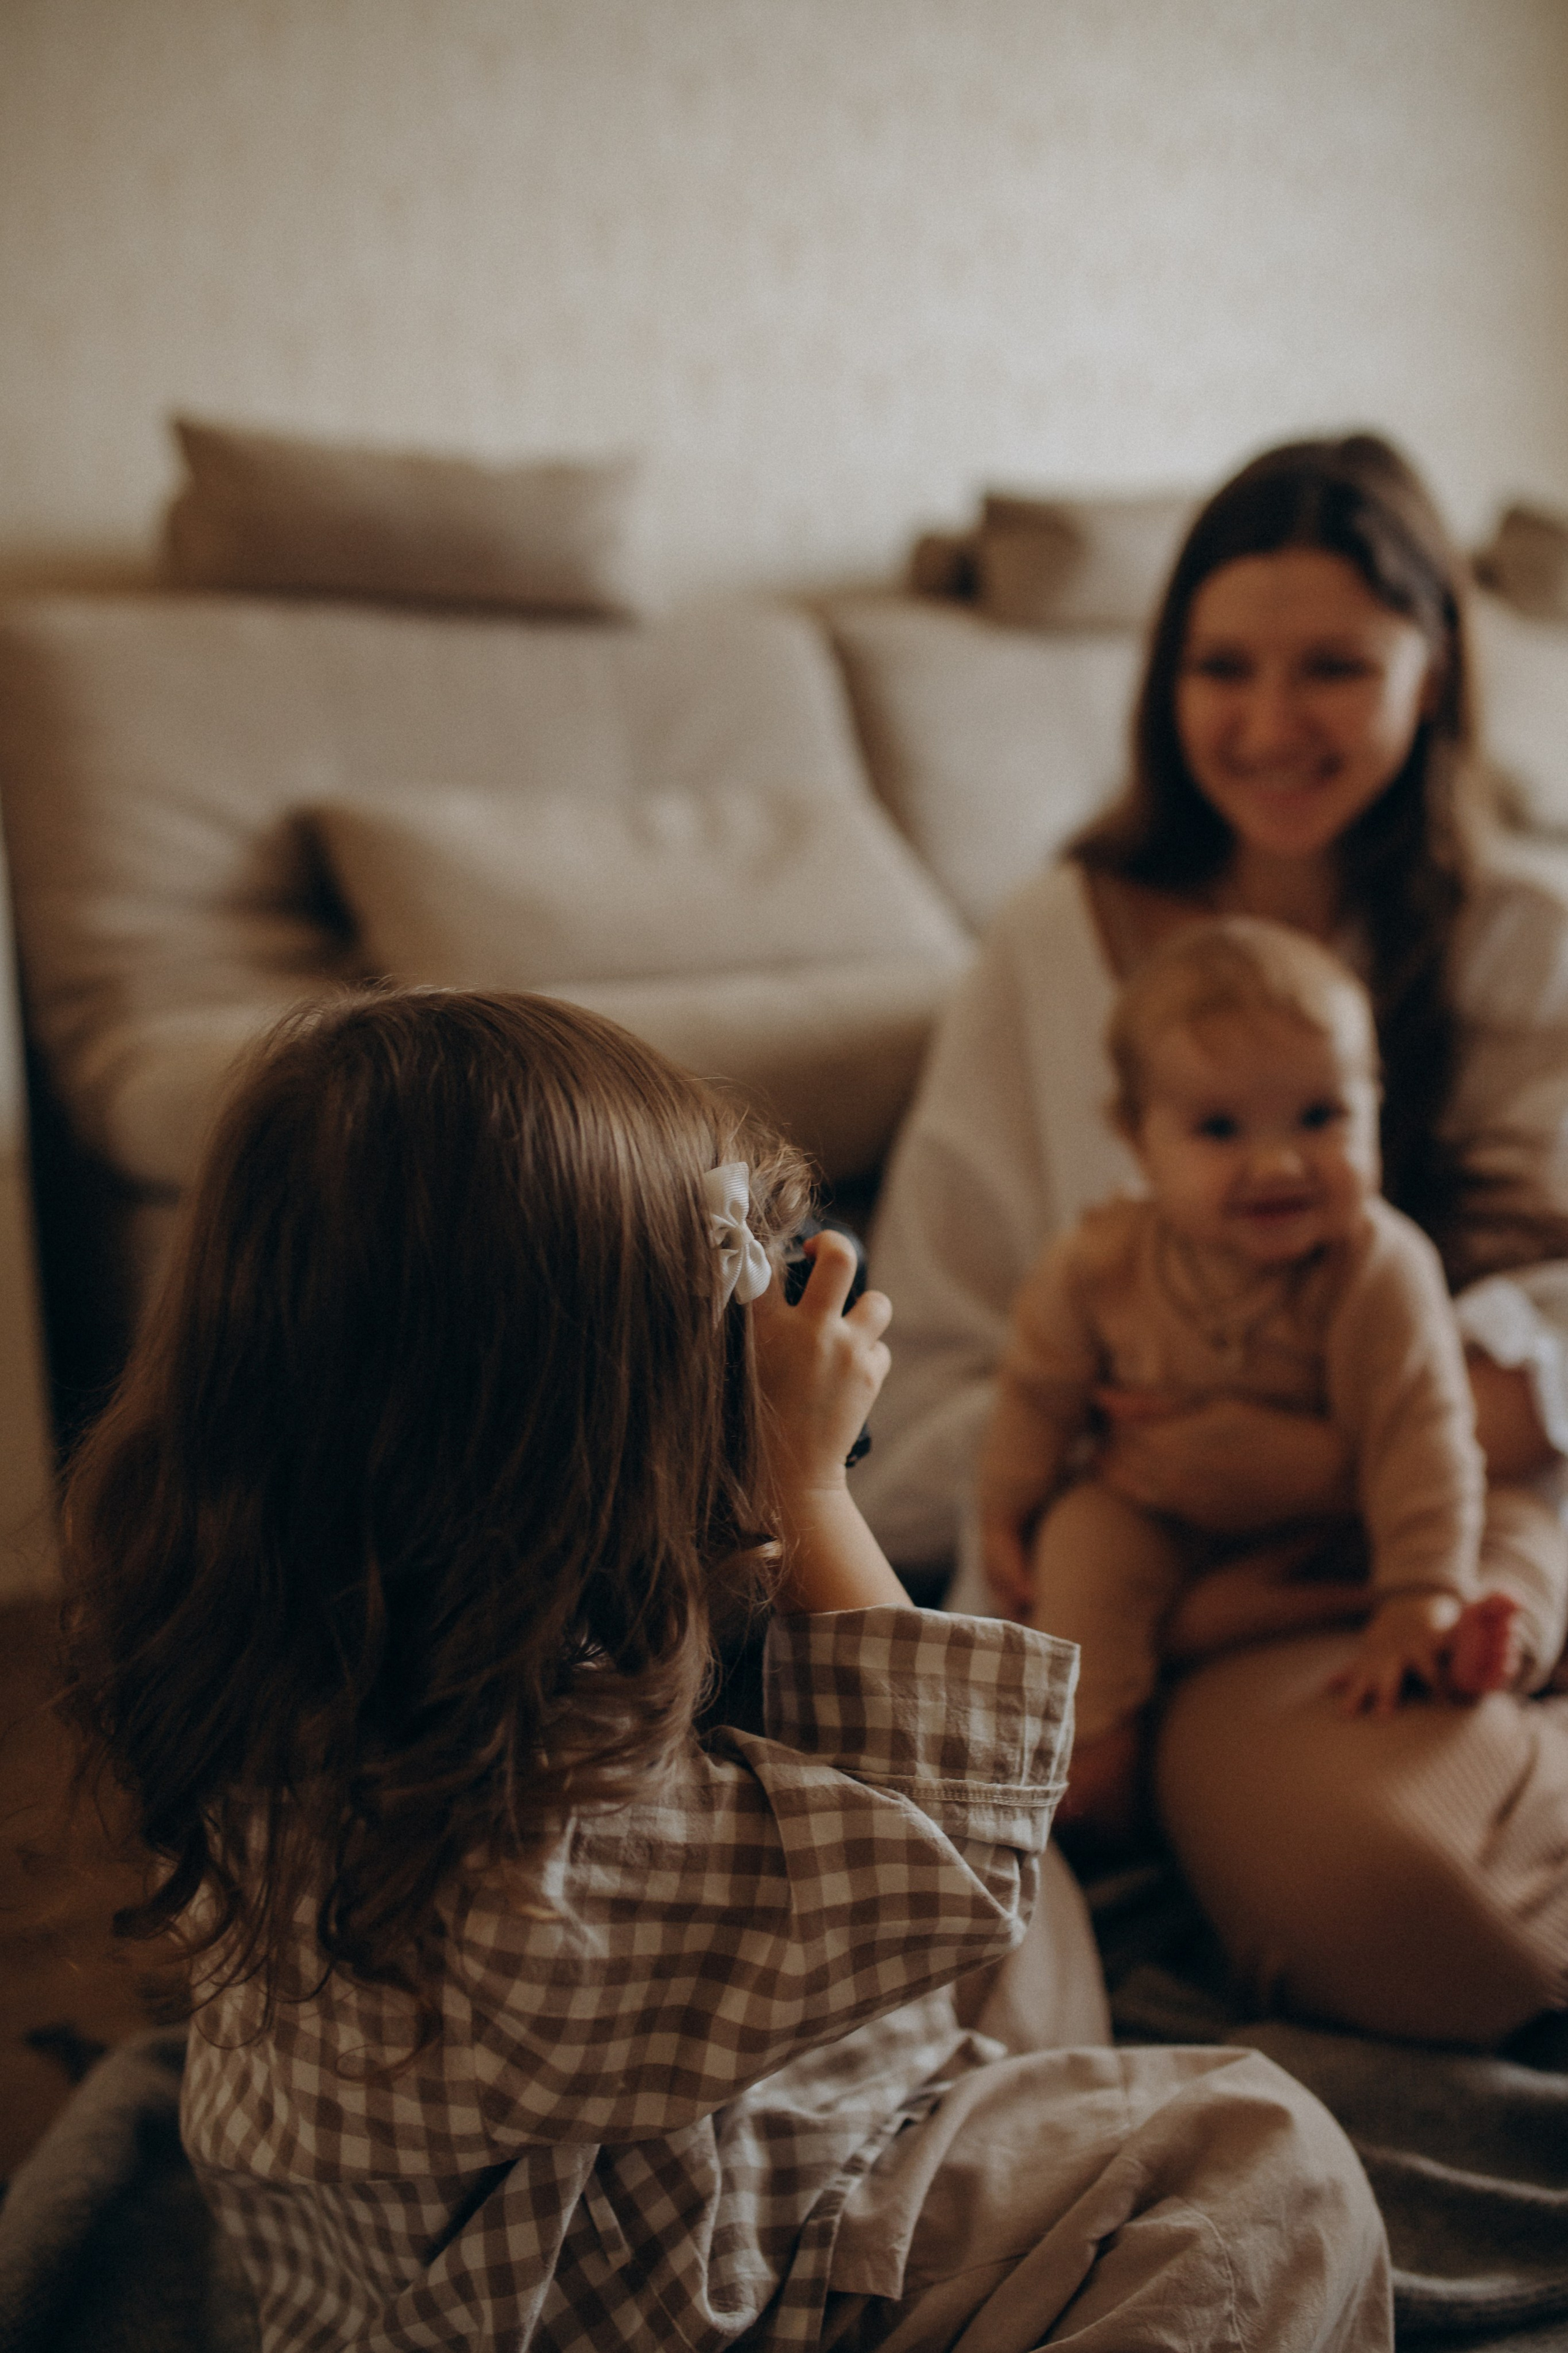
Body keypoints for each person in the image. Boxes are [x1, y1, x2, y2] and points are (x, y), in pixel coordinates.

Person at [58, 989, 1391, 2352]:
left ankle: (1022, 2179)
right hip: (641, 2278)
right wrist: (808, 1486)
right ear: (582, 1399)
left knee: (1030, 1908)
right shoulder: (511, 1828)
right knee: (1267, 2162)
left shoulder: (326, 1615)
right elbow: (943, 1840)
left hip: (589, 2135)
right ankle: (1035, 2230)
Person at [861, 431, 1568, 2045]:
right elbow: (938, 1376)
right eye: (1220, 667)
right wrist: (1142, 1535)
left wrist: (1338, 1463)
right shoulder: (1060, 940)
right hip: (1209, 1587)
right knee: (1414, 1907)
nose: (1267, 723)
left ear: (1436, 665)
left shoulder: (1524, 940)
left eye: (1332, 665)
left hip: (1486, 1498)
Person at [978, 916, 1566, 1841]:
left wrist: (1418, 1590)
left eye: (1321, 1116)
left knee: (1517, 1521)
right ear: (1136, 1137)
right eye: (1219, 1128)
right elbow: (1038, 1393)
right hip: (1169, 1518)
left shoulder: (1378, 1266)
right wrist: (1005, 1508)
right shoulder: (1096, 1264)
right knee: (1083, 1541)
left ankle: (1500, 1638)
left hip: (1369, 1517)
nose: (1280, 1162)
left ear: (1374, 1104)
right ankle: (1098, 1756)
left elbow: (1420, 1432)